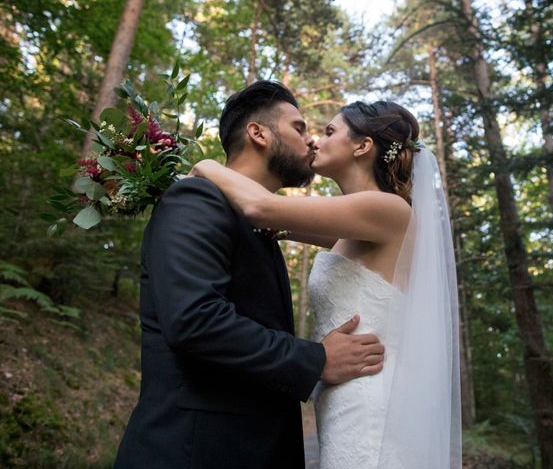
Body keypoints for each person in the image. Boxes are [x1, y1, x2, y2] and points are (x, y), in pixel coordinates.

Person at [114, 81, 386, 469]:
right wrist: (315, 359)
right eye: (298, 128)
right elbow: (196, 320)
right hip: (194, 451)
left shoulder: (259, 222)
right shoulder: (195, 199)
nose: (311, 142)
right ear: (258, 133)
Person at [190, 100, 462, 468]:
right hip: (344, 395)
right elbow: (270, 225)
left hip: (370, 399)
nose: (316, 140)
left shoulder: (388, 209)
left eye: (331, 131)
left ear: (362, 146)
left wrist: (205, 165)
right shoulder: (353, 227)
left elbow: (261, 209)